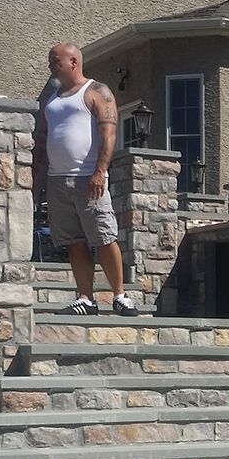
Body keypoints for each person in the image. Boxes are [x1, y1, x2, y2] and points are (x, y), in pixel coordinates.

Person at [34, 43, 138, 316]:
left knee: (104, 236)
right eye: (50, 61)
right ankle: (85, 298)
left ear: (73, 62)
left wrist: (99, 171)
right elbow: (42, 138)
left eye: (55, 61)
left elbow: (109, 135)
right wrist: (38, 178)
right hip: (57, 179)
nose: (51, 66)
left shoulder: (96, 92)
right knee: (74, 241)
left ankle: (120, 295)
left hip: (88, 176)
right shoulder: (51, 99)